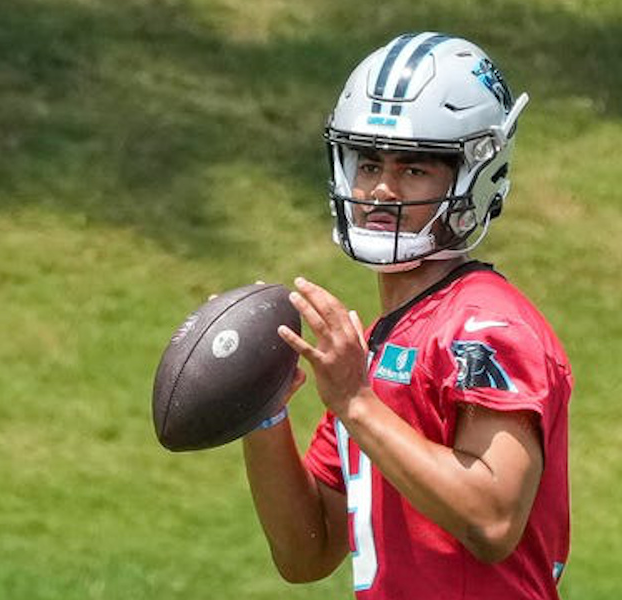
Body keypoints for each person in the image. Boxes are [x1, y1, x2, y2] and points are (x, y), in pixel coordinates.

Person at [242, 31, 572, 599]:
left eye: (414, 170)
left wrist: (355, 402)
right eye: (368, 164)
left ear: (473, 175)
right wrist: (261, 413)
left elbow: (491, 520)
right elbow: (308, 550)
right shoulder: (373, 346)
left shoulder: (486, 328)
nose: (381, 190)